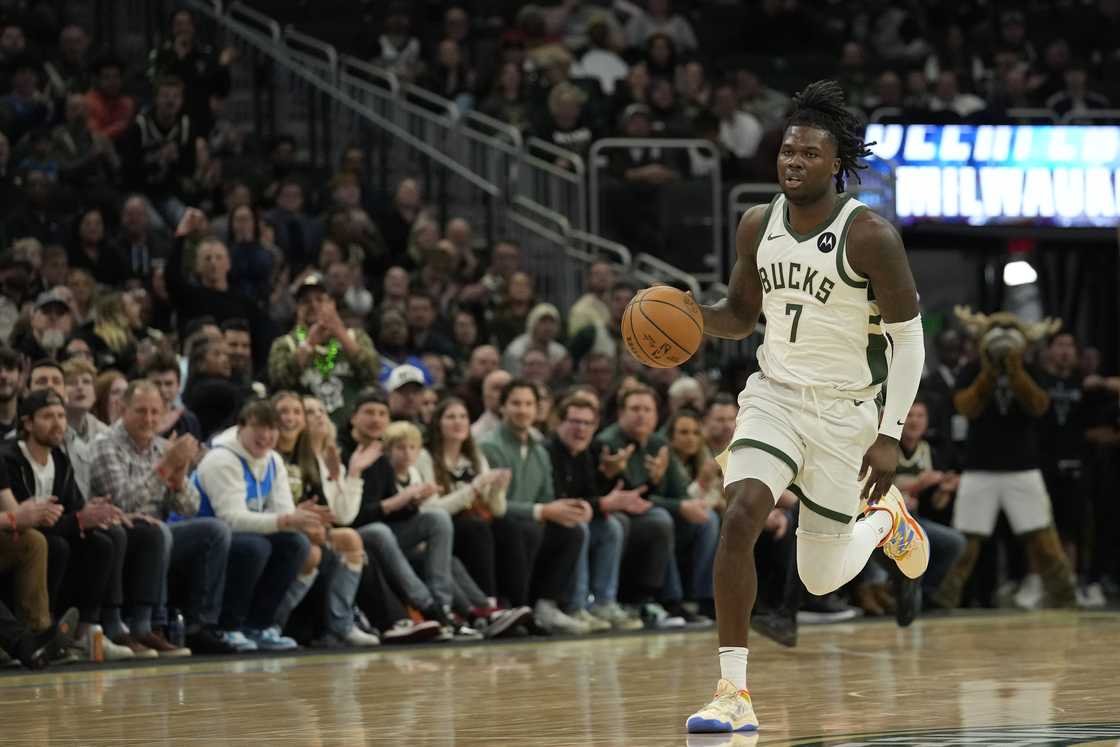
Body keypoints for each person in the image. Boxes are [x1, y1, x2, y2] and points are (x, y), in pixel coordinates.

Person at [685, 80, 927, 734]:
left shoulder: (871, 236)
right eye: (787, 151)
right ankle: (731, 693)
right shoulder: (757, 224)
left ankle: (885, 522)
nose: (793, 162)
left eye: (808, 154)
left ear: (835, 162)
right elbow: (739, 315)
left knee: (818, 578)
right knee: (738, 515)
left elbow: (909, 344)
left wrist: (889, 435)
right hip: (774, 396)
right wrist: (687, 320)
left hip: (847, 413)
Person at [89, 380, 232, 655]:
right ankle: (150, 626)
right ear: (122, 409)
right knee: (158, 533)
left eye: (156, 412)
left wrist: (178, 479)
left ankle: (200, 626)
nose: (150, 419)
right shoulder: (105, 444)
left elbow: (190, 507)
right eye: (141, 411)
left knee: (216, 531)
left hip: (157, 533)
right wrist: (166, 467)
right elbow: (123, 502)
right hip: (121, 532)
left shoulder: (161, 446)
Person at [0, 390, 138, 661]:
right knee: (50, 543)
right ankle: (33, 636)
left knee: (103, 540)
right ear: (27, 423)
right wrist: (20, 518)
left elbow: (22, 513)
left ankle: (83, 632)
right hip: (21, 534)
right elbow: (20, 519)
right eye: (48, 416)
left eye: (61, 416)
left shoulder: (61, 461)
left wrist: (92, 514)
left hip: (20, 535)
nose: (58, 423)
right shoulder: (10, 458)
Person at [190, 399, 321, 651]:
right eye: (258, 427)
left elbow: (283, 513)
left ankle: (259, 626)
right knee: (254, 547)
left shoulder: (273, 461)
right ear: (240, 428)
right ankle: (227, 626)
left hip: (241, 534)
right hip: (205, 535)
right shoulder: (222, 458)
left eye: (272, 428)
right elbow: (231, 519)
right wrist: (286, 520)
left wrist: (300, 520)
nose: (266, 435)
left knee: (296, 544)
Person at [479, 379, 591, 635]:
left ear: (537, 409)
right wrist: (541, 511)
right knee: (523, 529)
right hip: (496, 521)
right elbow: (494, 504)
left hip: (531, 522)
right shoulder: (489, 446)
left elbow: (547, 497)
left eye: (529, 404)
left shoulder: (540, 450)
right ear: (503, 407)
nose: (523, 410)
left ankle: (546, 606)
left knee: (573, 530)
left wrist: (571, 508)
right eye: (516, 403)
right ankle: (518, 607)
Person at [549, 394, 645, 631]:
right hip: (551, 520)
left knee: (611, 527)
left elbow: (596, 495)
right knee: (579, 525)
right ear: (559, 423)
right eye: (575, 422)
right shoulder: (549, 450)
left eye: (587, 423)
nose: (581, 429)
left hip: (579, 517)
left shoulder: (588, 451)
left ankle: (604, 602)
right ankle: (576, 605)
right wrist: (602, 504)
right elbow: (561, 499)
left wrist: (608, 475)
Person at [268, 274, 380, 429]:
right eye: (305, 301)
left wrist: (340, 333)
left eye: (320, 299)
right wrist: (310, 343)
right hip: (305, 433)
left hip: (352, 430)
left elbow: (372, 372)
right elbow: (280, 381)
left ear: (332, 304)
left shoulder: (356, 337)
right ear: (297, 309)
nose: (313, 305)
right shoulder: (285, 344)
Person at [145, 351, 202, 439]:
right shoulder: (134, 418)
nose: (162, 389)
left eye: (169, 384)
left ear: (178, 386)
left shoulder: (189, 420)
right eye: (156, 383)